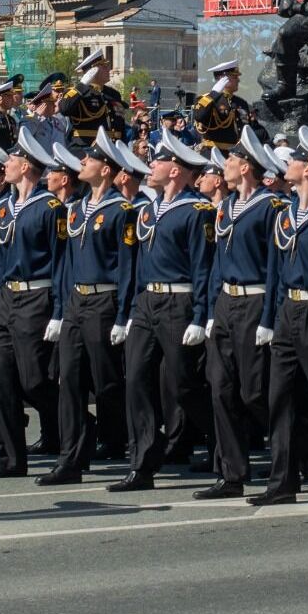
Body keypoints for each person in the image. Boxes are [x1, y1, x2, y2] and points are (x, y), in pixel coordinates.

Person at [111, 133, 217, 492]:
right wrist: (128, 312)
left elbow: (203, 267)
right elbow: (136, 266)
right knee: (136, 380)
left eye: (159, 161)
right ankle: (143, 463)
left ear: (175, 170)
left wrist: (201, 316)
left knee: (184, 385)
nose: (151, 165)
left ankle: (224, 441)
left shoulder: (197, 211)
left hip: (179, 302)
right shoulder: (145, 210)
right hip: (147, 302)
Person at [248, 129, 308, 507]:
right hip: (288, 310)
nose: (287, 164)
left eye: (295, 160)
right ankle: (282, 482)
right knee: (280, 398)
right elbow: (275, 272)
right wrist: (270, 319)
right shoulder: (284, 214)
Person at [40, 129, 137, 485]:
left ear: (106, 169)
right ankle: (71, 459)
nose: (82, 162)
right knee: (70, 381)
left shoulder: (121, 211)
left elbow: (127, 267)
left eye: (90, 159)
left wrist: (124, 314)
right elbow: (66, 264)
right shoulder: (75, 210)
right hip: (76, 301)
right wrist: (60, 310)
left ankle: (130, 439)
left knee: (107, 382)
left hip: (104, 301)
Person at [197, 127, 283, 500]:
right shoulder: (226, 207)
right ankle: (231, 473)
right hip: (226, 303)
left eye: (231, 160)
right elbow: (218, 262)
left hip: (254, 301)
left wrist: (269, 317)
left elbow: (275, 266)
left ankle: (298, 444)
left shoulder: (271, 206)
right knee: (220, 388)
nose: (225, 166)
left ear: (246, 167)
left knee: (254, 392)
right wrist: (212, 309)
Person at [0, 128, 65, 480]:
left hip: (36, 297)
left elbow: (60, 263)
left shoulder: (50, 208)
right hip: (6, 298)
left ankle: (76, 428)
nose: (6, 165)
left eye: (12, 159)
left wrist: (58, 310)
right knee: (1, 383)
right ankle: (11, 458)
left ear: (26, 166)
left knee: (33, 380)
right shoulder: (2, 207)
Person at [58, 49, 127, 148]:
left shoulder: (113, 94)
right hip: (86, 148)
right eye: (104, 67)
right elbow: (65, 109)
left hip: (113, 148)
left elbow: (120, 125)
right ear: (93, 71)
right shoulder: (78, 92)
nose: (109, 69)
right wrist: (82, 85)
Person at [192, 61, 247, 151]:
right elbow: (199, 116)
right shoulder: (208, 99)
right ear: (222, 79)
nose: (238, 80)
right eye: (235, 77)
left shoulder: (241, 102)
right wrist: (214, 94)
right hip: (212, 151)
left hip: (234, 153)